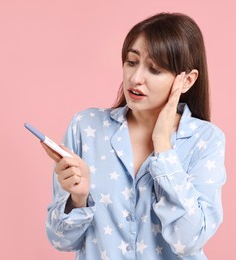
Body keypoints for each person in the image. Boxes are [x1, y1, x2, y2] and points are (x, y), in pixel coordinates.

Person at [42, 12, 226, 259]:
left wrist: (163, 148)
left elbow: (188, 241)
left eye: (155, 69)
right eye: (131, 62)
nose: (136, 78)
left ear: (187, 80)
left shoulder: (204, 140)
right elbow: (60, 239)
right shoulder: (86, 127)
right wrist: (78, 198)